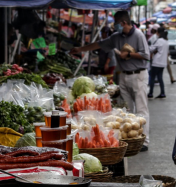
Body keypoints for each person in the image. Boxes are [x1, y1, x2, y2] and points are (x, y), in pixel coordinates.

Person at [71, 11, 150, 151]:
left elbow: (146, 55)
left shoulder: (138, 35)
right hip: (124, 75)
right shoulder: (116, 37)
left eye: (116, 23)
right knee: (128, 110)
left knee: (141, 109)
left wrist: (130, 54)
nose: (115, 26)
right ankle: (129, 140)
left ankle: (144, 141)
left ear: (123, 23)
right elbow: (99, 44)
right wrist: (80, 49)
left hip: (138, 75)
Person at [148, 27, 169, 99]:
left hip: (156, 62)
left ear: (159, 33)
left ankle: (150, 93)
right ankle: (162, 93)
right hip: (163, 63)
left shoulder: (159, 41)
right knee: (160, 78)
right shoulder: (166, 41)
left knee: (152, 77)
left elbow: (151, 49)